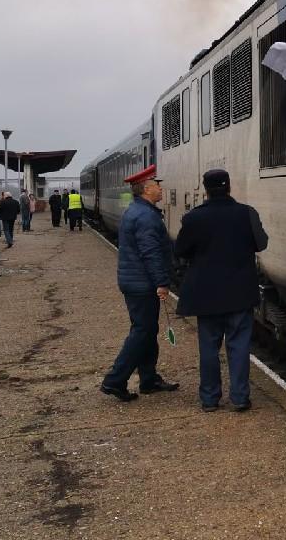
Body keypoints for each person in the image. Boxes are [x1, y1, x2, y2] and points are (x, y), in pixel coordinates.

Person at [175, 169, 268, 412]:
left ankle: (209, 399)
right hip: (239, 293)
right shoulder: (246, 213)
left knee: (208, 348)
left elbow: (180, 250)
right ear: (229, 186)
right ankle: (239, 398)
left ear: (205, 188)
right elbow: (262, 243)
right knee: (239, 347)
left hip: (206, 295)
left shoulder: (193, 218)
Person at [101, 167, 178, 402]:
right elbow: (150, 253)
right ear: (146, 188)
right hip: (142, 283)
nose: (160, 187)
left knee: (147, 330)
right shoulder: (145, 216)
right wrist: (162, 282)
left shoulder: (138, 211)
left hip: (135, 280)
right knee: (142, 331)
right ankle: (115, 380)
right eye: (157, 184)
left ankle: (148, 379)